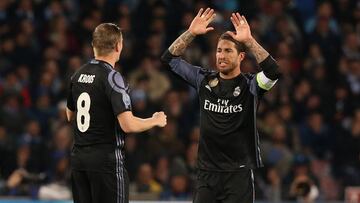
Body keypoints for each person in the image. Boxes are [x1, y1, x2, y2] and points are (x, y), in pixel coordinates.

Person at [161, 8, 281, 202]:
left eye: (228, 51)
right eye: (218, 50)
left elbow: (274, 71)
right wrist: (190, 33)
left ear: (241, 56)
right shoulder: (203, 80)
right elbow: (169, 59)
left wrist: (249, 41)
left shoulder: (251, 85)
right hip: (207, 174)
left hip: (238, 174)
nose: (221, 56)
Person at [66, 23, 167, 203]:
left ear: (93, 45)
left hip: (79, 161)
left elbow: (69, 115)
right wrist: (155, 120)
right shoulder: (113, 77)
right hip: (106, 162)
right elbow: (127, 125)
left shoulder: (78, 74)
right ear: (118, 46)